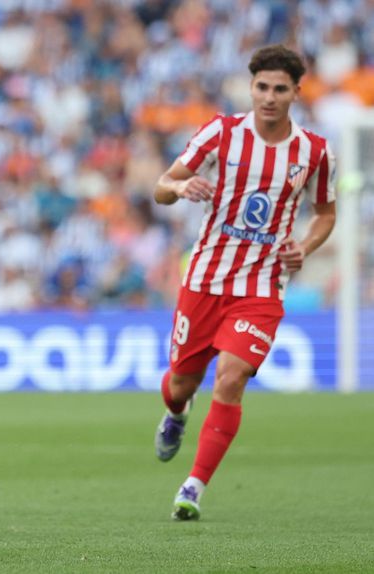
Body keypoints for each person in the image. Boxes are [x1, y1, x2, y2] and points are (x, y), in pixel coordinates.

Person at [151, 45, 336, 521]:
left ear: (296, 92)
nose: (269, 97)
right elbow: (161, 187)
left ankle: (193, 487)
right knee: (181, 383)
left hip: (262, 287)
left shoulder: (314, 151)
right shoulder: (221, 133)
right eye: (262, 87)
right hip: (205, 280)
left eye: (280, 89)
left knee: (231, 379)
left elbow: (325, 214)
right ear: (251, 88)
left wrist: (306, 247)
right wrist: (180, 187)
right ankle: (177, 413)